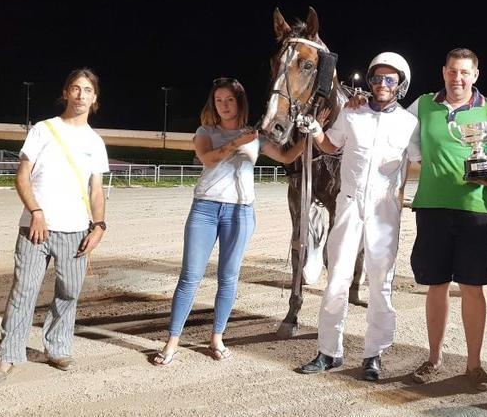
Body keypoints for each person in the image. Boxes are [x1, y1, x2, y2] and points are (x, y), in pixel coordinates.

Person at [153, 77, 302, 365]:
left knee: (228, 278)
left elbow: (285, 155)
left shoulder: (256, 136)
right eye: (219, 100)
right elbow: (208, 158)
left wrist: (309, 136)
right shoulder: (205, 131)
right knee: (190, 277)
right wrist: (236, 143)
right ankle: (172, 340)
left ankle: (217, 337)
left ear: (239, 103)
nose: (223, 105)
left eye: (229, 100)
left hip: (241, 212)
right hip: (205, 210)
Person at [295, 52, 418, 381]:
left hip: (384, 209)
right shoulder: (353, 113)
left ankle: (373, 354)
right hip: (348, 204)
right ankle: (328, 352)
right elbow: (330, 146)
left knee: (381, 284)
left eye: (389, 80)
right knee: (336, 280)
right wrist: (315, 129)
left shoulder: (410, 124)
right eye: (377, 78)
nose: (381, 84)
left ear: (400, 85)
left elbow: (425, 160)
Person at [0, 68, 109, 384]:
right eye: (75, 88)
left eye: (87, 90)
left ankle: (58, 348)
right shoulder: (43, 129)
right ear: (66, 93)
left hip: (77, 230)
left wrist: (99, 226)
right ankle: (8, 356)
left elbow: (96, 189)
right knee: (23, 292)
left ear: (95, 99)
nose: (81, 95)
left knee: (69, 292)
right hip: (35, 228)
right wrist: (36, 211)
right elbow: (22, 176)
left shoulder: (95, 141)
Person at [407, 48, 487, 391]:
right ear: (443, 72)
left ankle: (474, 365)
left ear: (475, 75)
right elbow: (397, 128)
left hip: (474, 209)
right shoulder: (422, 105)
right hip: (432, 207)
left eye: (464, 72)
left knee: (471, 287)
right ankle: (434, 358)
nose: (457, 78)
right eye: (452, 71)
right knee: (436, 286)